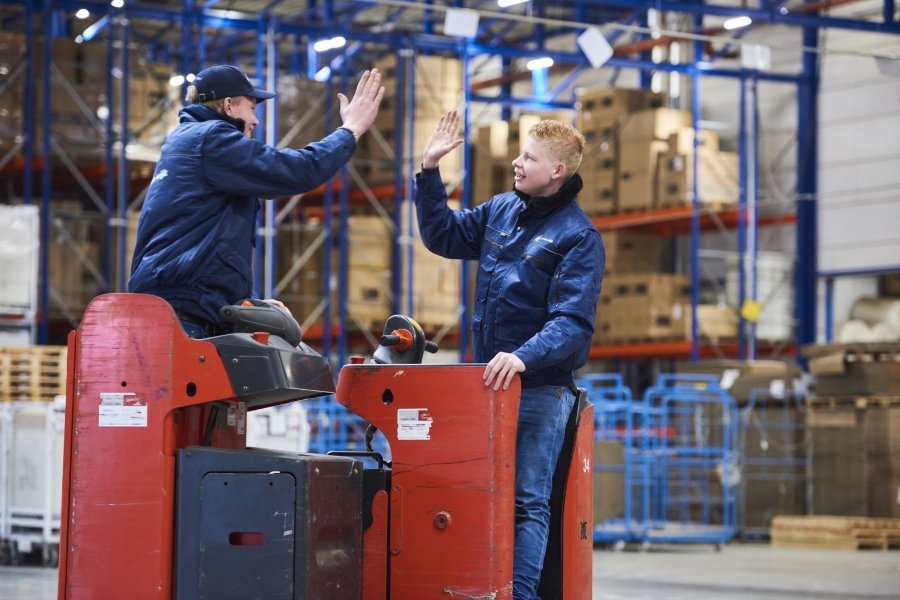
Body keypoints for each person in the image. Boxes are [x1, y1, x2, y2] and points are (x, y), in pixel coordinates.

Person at [414, 111, 605, 599]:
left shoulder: (578, 237)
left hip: (539, 389)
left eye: (529, 158)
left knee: (526, 502)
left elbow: (573, 323)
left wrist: (523, 357)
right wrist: (429, 172)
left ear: (557, 171)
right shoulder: (501, 210)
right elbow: (444, 235)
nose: (517, 163)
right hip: (491, 386)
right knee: (484, 496)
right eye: (520, 153)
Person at [129, 64, 384, 338]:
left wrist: (249, 301)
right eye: (251, 108)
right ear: (228, 105)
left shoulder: (188, 143)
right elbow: (296, 171)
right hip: (187, 314)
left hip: (180, 306)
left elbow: (205, 243)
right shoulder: (211, 140)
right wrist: (350, 130)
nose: (256, 120)